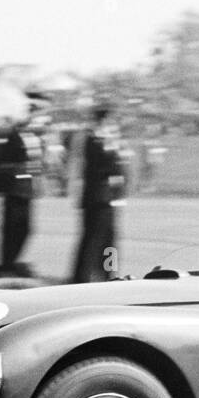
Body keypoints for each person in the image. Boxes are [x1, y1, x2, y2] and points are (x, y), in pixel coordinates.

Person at [70, 105, 127, 283]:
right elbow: (102, 165)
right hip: (97, 197)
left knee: (110, 239)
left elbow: (119, 169)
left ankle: (109, 273)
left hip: (109, 197)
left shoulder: (107, 140)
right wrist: (111, 142)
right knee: (92, 239)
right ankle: (82, 277)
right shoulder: (93, 140)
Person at [0, 106, 44, 276]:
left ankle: (10, 263)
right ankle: (6, 265)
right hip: (14, 189)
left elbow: (35, 164)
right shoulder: (11, 137)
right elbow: (0, 164)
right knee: (11, 229)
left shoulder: (33, 138)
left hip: (27, 190)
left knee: (26, 229)